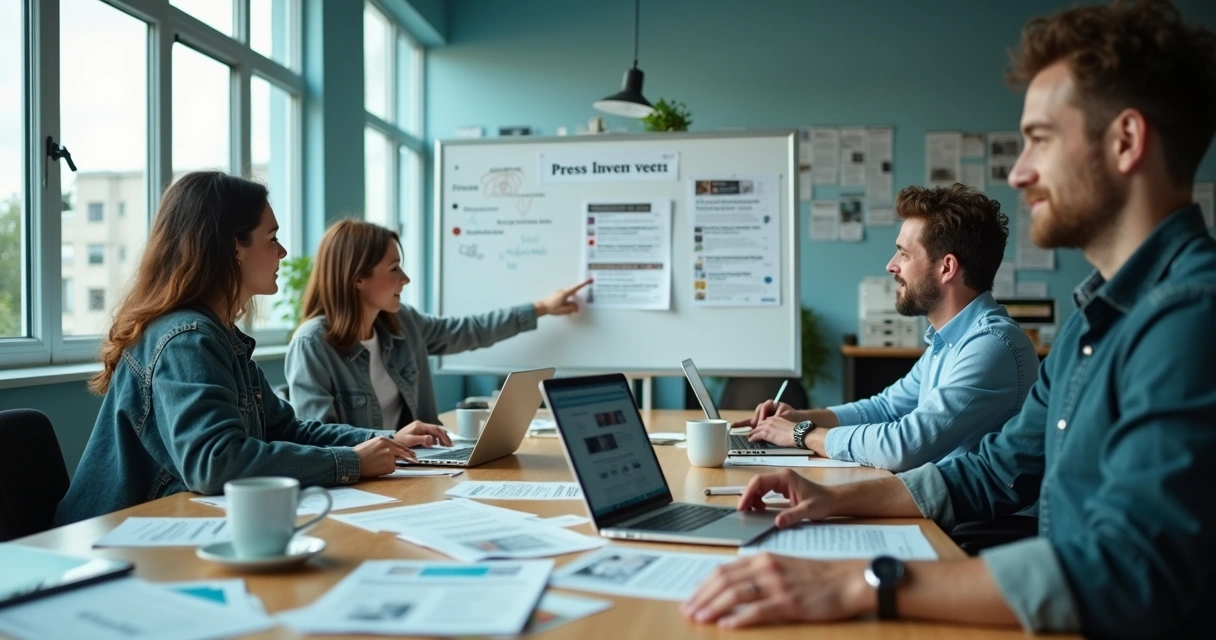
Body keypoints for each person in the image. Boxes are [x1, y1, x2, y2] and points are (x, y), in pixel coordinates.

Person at [682, 1, 1216, 635]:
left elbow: (1131, 572)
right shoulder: (1091, 323)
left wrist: (857, 581)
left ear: (1125, 141)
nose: (1019, 171)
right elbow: (994, 468)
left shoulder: (1190, 318)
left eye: (1040, 139)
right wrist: (834, 498)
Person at [54, 172, 447, 525]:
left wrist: (384, 439)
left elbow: (287, 429)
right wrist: (348, 462)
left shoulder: (220, 336)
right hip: (110, 543)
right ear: (233, 248)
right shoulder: (186, 339)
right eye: (272, 238)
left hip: (166, 527)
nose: (283, 253)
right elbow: (216, 461)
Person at [739, 184, 1037, 471]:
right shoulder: (947, 341)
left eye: (904, 254)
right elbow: (885, 409)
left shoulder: (992, 345)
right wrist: (799, 417)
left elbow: (903, 446)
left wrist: (802, 433)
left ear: (946, 268)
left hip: (982, 521)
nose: (891, 265)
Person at [285, 219, 591, 431]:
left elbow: (470, 330)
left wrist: (541, 308)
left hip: (415, 468)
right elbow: (319, 437)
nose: (405, 279)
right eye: (394, 269)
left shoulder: (402, 323)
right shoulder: (312, 344)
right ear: (358, 278)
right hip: (362, 484)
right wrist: (392, 442)